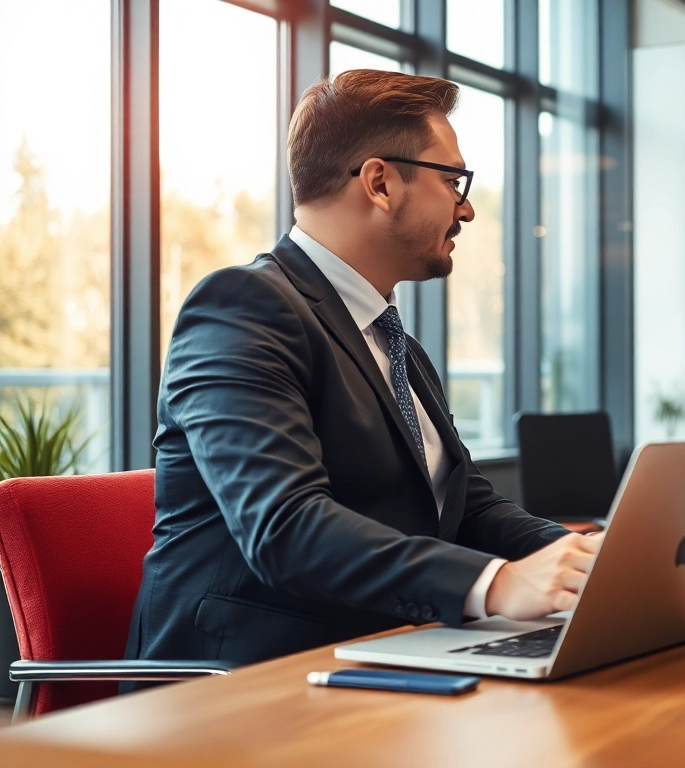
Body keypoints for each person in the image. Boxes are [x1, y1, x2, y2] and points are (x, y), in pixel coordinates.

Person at [125, 70, 600, 674]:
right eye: (452, 181)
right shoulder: (241, 309)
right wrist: (498, 584)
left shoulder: (396, 344)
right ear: (380, 183)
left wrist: (580, 555)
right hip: (245, 682)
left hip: (384, 656)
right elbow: (285, 527)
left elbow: (467, 507)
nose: (467, 208)